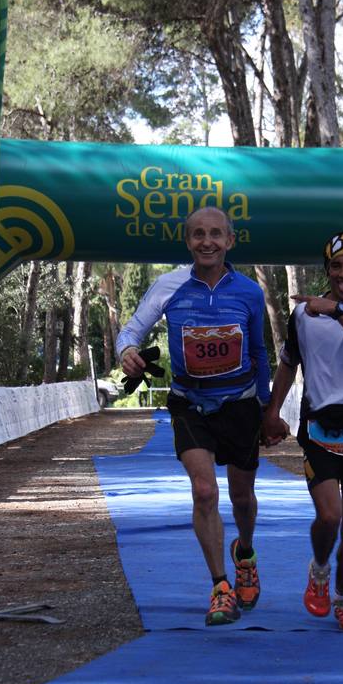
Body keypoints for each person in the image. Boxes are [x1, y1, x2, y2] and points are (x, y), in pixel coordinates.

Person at [116, 207, 271, 626]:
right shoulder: (169, 286)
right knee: (204, 491)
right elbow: (129, 332)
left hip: (239, 403)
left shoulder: (250, 292)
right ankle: (221, 587)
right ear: (188, 242)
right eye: (199, 235)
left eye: (216, 234)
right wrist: (127, 352)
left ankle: (246, 553)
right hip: (190, 404)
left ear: (230, 241)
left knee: (241, 498)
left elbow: (259, 353)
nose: (208, 242)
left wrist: (268, 408)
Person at [263, 231, 343, 631]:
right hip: (319, 426)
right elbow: (288, 362)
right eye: (336, 266)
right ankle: (319, 571)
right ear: (327, 270)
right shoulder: (303, 314)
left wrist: (337, 311)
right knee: (330, 516)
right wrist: (271, 413)